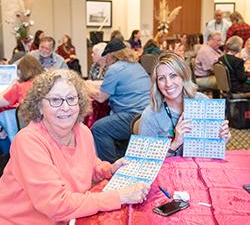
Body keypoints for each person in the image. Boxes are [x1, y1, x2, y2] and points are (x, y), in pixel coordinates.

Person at [0, 69, 151, 224]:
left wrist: (109, 169)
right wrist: (119, 196)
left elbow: (88, 168)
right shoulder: (28, 142)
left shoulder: (82, 132)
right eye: (56, 100)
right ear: (39, 106)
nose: (66, 107)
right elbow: (57, 205)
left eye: (71, 98)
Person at [140, 52, 231, 157]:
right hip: (168, 170)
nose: (168, 84)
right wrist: (175, 143)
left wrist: (221, 138)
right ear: (156, 83)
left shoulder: (202, 102)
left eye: (173, 75)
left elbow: (211, 151)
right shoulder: (151, 114)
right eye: (161, 78)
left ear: (183, 76)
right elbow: (144, 158)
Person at [90, 38, 150, 163]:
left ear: (111, 55)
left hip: (133, 115)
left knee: (98, 128)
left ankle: (111, 167)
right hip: (147, 113)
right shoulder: (136, 65)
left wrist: (83, 86)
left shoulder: (115, 69)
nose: (105, 60)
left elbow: (101, 97)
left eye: (106, 57)